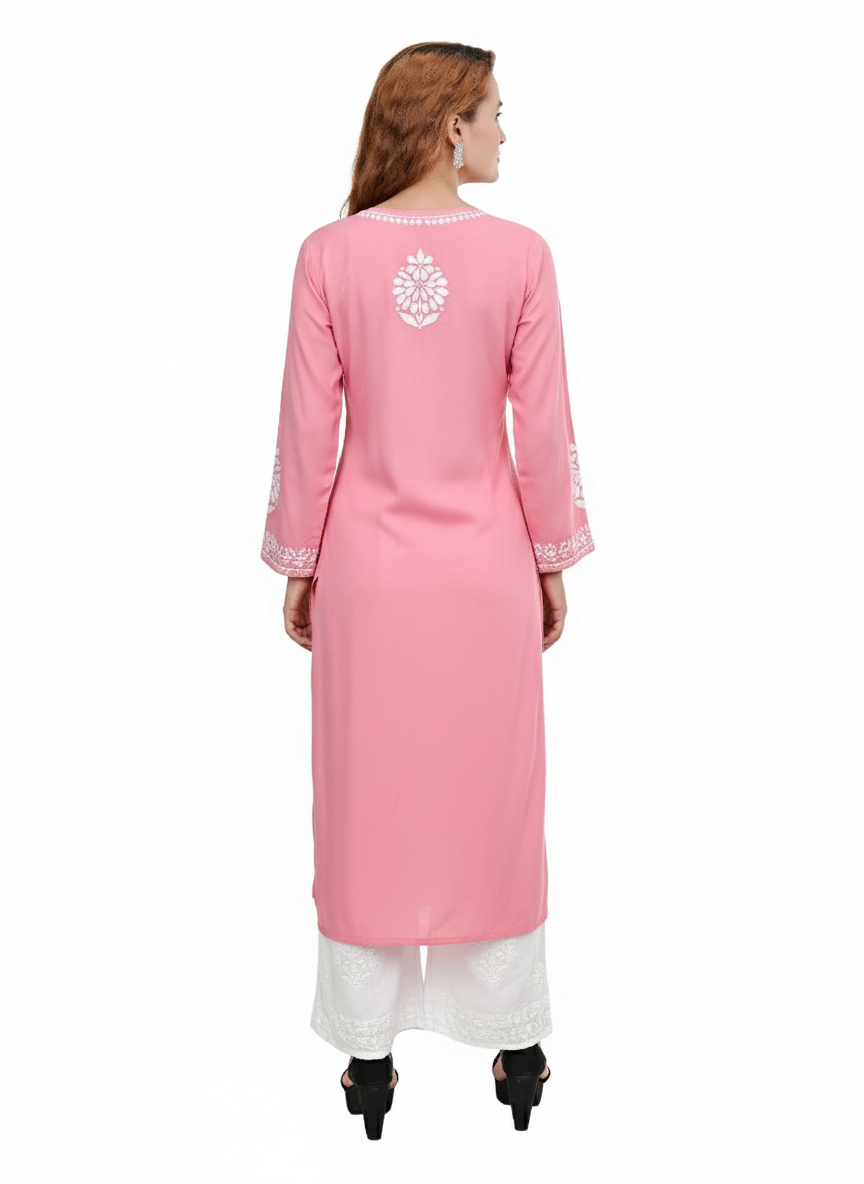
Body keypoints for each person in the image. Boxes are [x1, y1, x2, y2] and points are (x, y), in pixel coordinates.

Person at [261, 41, 595, 1139]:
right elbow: (540, 428)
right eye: (494, 111)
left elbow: (309, 432)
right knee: (492, 801)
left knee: (366, 800)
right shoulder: (521, 257)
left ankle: (369, 1058)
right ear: (452, 124)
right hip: (485, 574)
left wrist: (302, 566)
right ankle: (518, 1046)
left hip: (365, 575)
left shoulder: (328, 256)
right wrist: (550, 560)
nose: (504, 130)